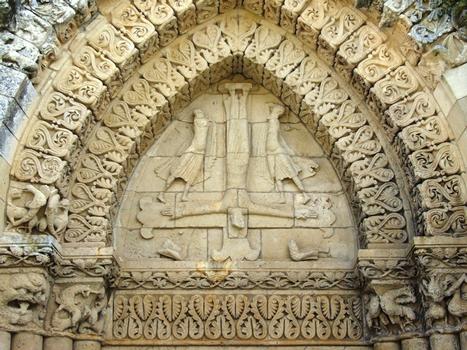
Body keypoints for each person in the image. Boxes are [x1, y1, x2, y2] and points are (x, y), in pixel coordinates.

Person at [159, 109, 210, 202]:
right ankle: (162, 193)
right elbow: (203, 122)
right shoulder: (199, 121)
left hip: (200, 153)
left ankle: (184, 195)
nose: (200, 114)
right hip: (192, 151)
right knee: (176, 172)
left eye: (201, 113)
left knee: (193, 176)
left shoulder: (205, 122)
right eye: (198, 113)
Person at [266, 103, 311, 204]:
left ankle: (305, 194)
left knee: (292, 173)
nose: (275, 113)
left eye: (277, 112)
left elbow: (278, 137)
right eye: (276, 111)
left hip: (277, 150)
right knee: (276, 176)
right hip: (271, 151)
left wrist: (286, 149)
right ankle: (282, 197)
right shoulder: (272, 120)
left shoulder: (275, 121)